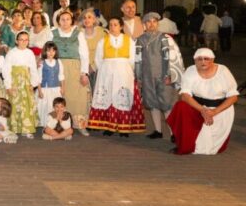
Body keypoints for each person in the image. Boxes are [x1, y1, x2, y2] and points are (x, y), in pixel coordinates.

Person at [167, 48, 238, 155]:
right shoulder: (190, 70)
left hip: (220, 110)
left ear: (212, 60)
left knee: (210, 149)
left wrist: (214, 112)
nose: (203, 62)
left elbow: (233, 97)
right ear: (195, 61)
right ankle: (184, 144)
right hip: (198, 108)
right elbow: (185, 95)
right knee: (181, 106)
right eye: (199, 59)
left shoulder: (223, 71)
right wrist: (202, 110)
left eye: (206, 59)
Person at [88, 17, 144, 136]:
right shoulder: (103, 41)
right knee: (108, 97)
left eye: (115, 25)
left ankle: (124, 127)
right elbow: (98, 59)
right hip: (107, 73)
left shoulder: (129, 41)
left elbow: (133, 59)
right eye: (111, 25)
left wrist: (129, 72)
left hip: (124, 73)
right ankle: (109, 126)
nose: (112, 27)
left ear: (121, 26)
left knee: (123, 98)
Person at [136, 12, 184, 140]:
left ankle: (173, 132)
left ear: (157, 23)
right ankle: (158, 130)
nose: (151, 24)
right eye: (148, 22)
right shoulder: (140, 39)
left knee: (167, 104)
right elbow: (138, 60)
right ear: (144, 24)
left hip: (163, 77)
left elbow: (170, 58)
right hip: (147, 77)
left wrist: (169, 75)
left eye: (154, 21)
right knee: (152, 104)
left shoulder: (164, 38)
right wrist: (139, 78)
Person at [51, 11, 91, 135]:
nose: (65, 22)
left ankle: (80, 125)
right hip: (57, 67)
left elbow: (84, 54)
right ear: (58, 21)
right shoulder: (52, 33)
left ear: (71, 20)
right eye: (62, 19)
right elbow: (47, 50)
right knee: (59, 96)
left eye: (68, 19)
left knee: (78, 97)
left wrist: (84, 73)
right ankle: (60, 124)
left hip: (75, 68)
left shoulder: (78, 34)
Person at [3, 31, 39, 138]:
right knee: (14, 104)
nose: (23, 42)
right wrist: (8, 85)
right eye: (21, 39)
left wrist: (33, 83)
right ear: (16, 41)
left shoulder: (30, 53)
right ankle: (14, 128)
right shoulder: (11, 53)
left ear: (28, 41)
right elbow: (6, 69)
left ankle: (26, 129)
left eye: (26, 40)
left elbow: (33, 68)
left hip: (26, 82)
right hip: (15, 82)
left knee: (26, 104)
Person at [37, 42, 64, 129]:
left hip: (56, 89)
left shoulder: (58, 62)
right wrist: (40, 91)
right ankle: (46, 125)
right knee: (45, 107)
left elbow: (61, 76)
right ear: (45, 52)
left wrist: (62, 87)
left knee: (55, 107)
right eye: (48, 51)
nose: (51, 53)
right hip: (45, 89)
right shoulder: (42, 63)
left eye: (53, 50)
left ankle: (55, 124)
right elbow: (38, 78)